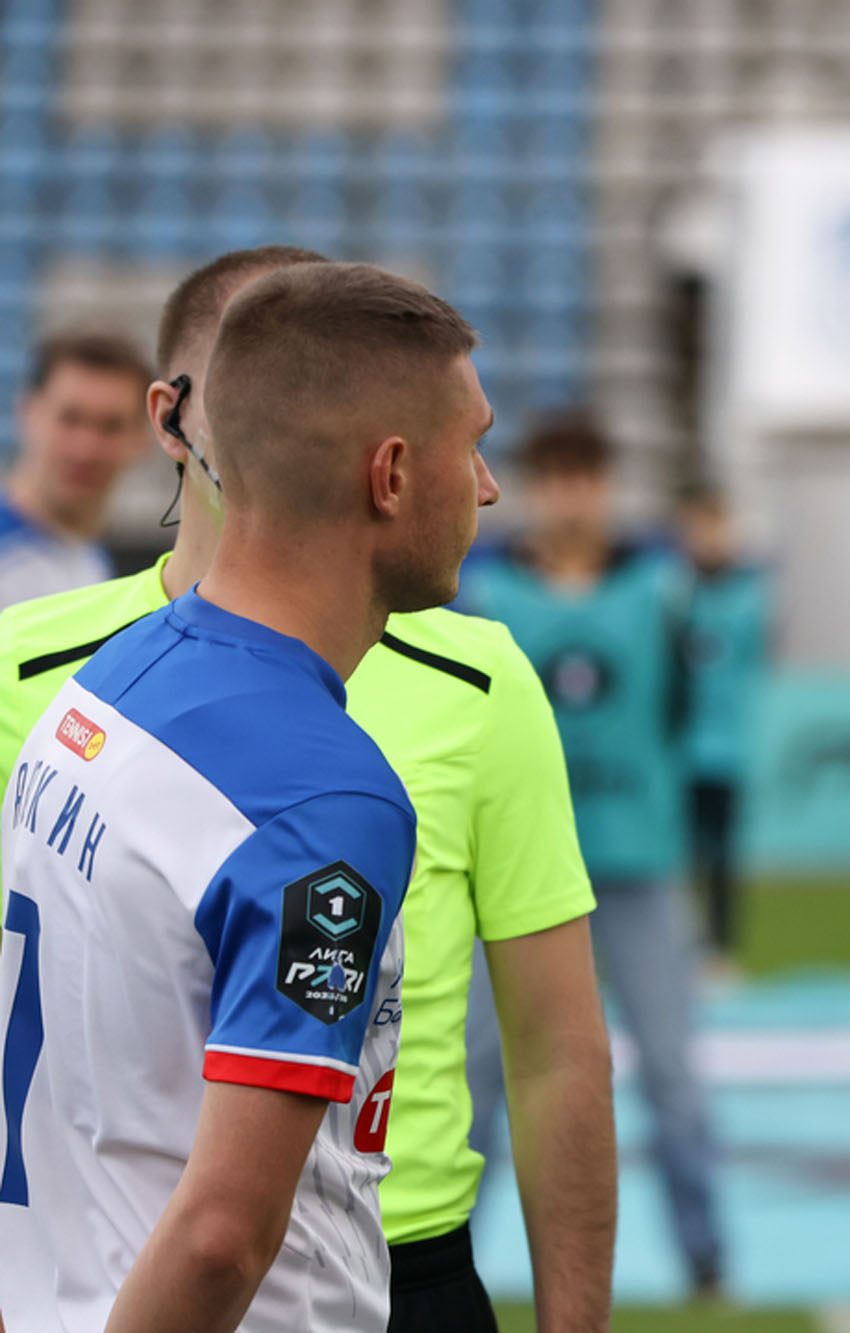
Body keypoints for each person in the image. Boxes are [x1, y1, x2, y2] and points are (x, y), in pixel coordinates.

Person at [0, 247, 616, 1332]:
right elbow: (224, 1234)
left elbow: (558, 1047)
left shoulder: (115, 680)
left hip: (82, 1278)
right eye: (470, 445)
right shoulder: (325, 797)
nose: (489, 486)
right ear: (390, 474)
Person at [462, 415, 726, 1298]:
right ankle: (449, 1261)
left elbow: (684, 712)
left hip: (637, 865)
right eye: (555, 479)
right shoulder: (485, 591)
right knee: (477, 1077)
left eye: (586, 478)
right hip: (510, 871)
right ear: (532, 488)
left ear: (608, 487)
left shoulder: (661, 589)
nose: (571, 499)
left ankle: (706, 1259)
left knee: (672, 1072)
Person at [678, 484, 769, 963]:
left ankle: (721, 949)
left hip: (728, 748)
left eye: (714, 525)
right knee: (680, 857)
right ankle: (683, 945)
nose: (706, 536)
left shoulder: (749, 597)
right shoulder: (674, 594)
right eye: (698, 526)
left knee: (723, 857)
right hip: (679, 750)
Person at [3, 329, 153, 607]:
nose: (86, 449)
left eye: (111, 426)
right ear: (27, 412)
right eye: (70, 419)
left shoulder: (92, 563)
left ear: (142, 438)